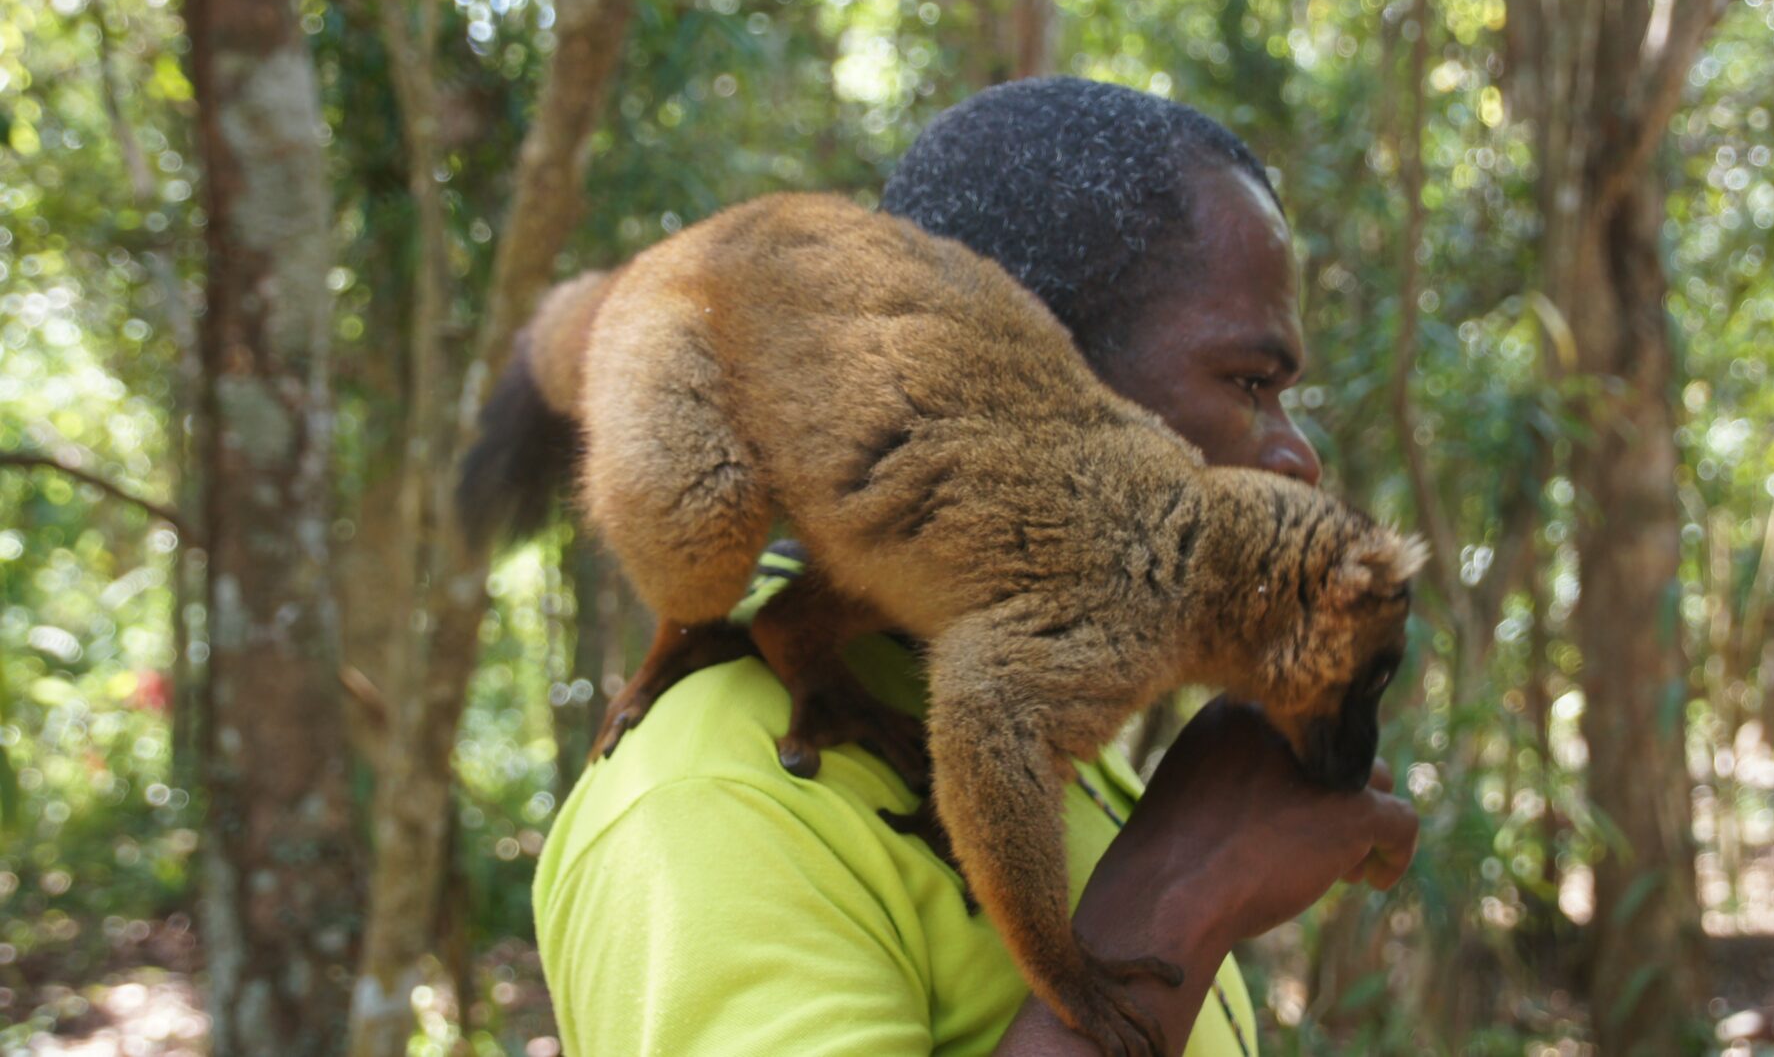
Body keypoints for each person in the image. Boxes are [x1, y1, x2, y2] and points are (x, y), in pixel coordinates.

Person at [532, 77, 1420, 1056]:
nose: (1301, 458)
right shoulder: (710, 805)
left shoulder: (1092, 765)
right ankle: (691, 632)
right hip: (690, 360)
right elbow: (993, 725)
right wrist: (1185, 886)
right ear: (1052, 349)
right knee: (701, 565)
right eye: (1249, 381)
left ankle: (801, 643)